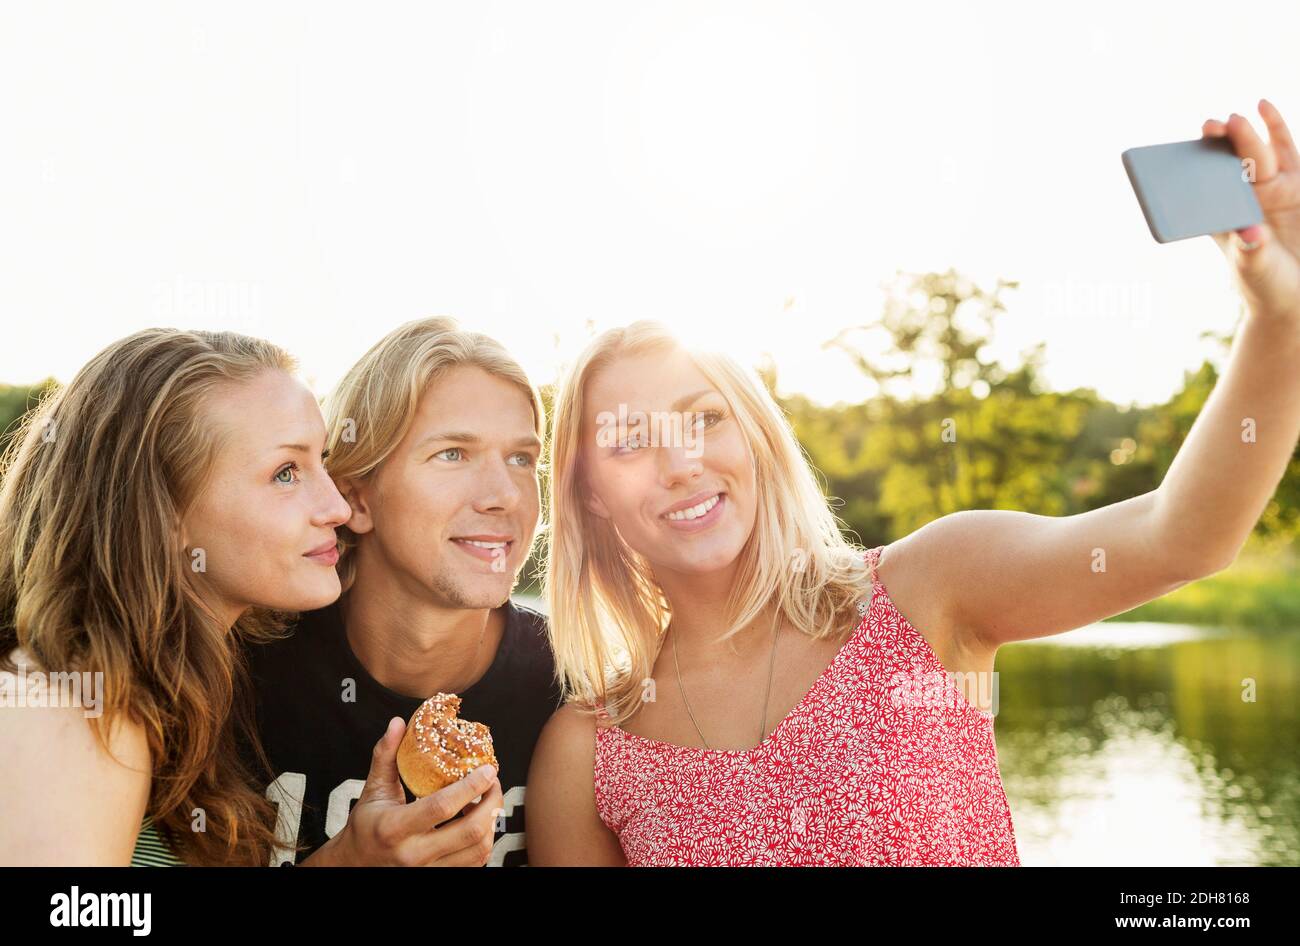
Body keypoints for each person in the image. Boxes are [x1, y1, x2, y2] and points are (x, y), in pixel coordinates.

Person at [526, 100, 1300, 865]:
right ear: (589, 493)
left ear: (757, 438)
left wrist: (1279, 321)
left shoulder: (927, 589)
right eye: (630, 442)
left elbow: (1181, 537)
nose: (681, 461)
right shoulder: (587, 755)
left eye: (704, 419)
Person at [0, 329, 352, 865]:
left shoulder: (172, 682)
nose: (336, 507)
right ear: (163, 512)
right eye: (286, 472)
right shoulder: (74, 709)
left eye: (320, 460)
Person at [245, 317, 562, 867]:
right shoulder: (232, 675)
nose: (504, 496)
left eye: (521, 459)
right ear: (357, 498)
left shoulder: (578, 694)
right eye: (453, 454)